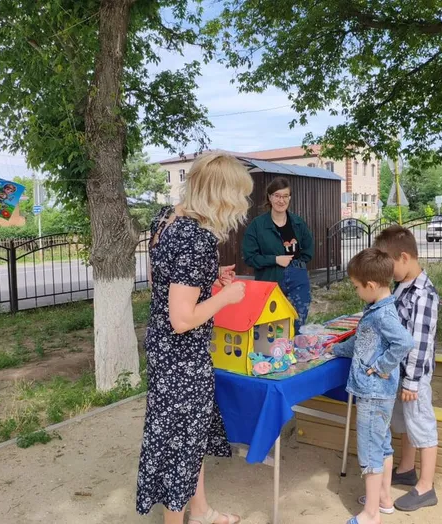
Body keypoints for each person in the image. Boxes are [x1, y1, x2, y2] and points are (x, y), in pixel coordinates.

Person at [136, 152, 254, 524]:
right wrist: (225, 295)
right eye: (238, 195)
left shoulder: (166, 219)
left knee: (189, 437)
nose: (241, 203)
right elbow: (182, 319)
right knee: (181, 446)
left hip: (162, 350)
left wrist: (208, 277)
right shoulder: (196, 238)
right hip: (183, 357)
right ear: (221, 194)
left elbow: (161, 279)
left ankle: (200, 512)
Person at [325, 248, 415, 524]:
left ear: (371, 285)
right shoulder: (376, 309)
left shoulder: (382, 315)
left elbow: (404, 342)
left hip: (373, 392)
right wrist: (336, 349)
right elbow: (361, 342)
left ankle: (371, 514)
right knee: (382, 445)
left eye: (356, 287)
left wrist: (383, 366)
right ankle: (383, 499)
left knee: (369, 451)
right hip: (376, 392)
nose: (356, 291)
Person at [373, 225, 440, 511]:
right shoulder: (403, 286)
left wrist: (412, 381)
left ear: (403, 257)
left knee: (421, 425)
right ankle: (406, 469)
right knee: (404, 422)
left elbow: (420, 343)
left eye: (389, 265)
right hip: (399, 373)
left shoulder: (423, 295)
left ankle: (426, 486)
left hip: (415, 376)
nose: (387, 273)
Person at [242, 177, 314, 333]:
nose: (281, 200)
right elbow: (249, 257)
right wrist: (274, 260)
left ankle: (293, 345)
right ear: (270, 197)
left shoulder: (298, 223)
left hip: (298, 278)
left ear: (290, 198)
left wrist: (296, 264)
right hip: (270, 278)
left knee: (298, 320)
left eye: (285, 196)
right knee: (269, 323)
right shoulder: (257, 225)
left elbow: (308, 249)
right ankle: (274, 347)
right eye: (277, 195)